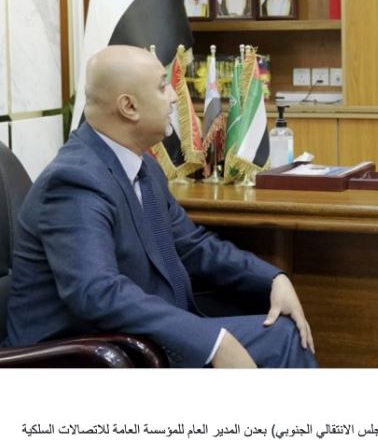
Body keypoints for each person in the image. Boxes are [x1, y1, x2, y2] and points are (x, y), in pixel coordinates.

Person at [3, 45, 316, 368]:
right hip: (83, 356)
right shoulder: (75, 180)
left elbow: (191, 246)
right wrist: (211, 342)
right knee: (282, 339)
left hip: (136, 338)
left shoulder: (143, 166)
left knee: (281, 328)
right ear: (129, 106)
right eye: (162, 86)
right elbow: (98, 293)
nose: (174, 97)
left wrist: (272, 278)